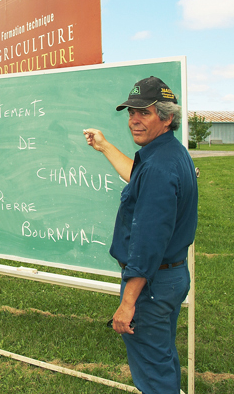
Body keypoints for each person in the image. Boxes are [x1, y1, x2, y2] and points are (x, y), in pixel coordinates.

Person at [83, 76, 198, 394]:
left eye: (144, 113)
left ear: (167, 117)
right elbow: (137, 175)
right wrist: (105, 146)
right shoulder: (169, 155)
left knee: (153, 376)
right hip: (169, 278)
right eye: (131, 112)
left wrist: (128, 302)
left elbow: (148, 242)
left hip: (150, 286)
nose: (134, 119)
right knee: (161, 359)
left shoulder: (159, 169)